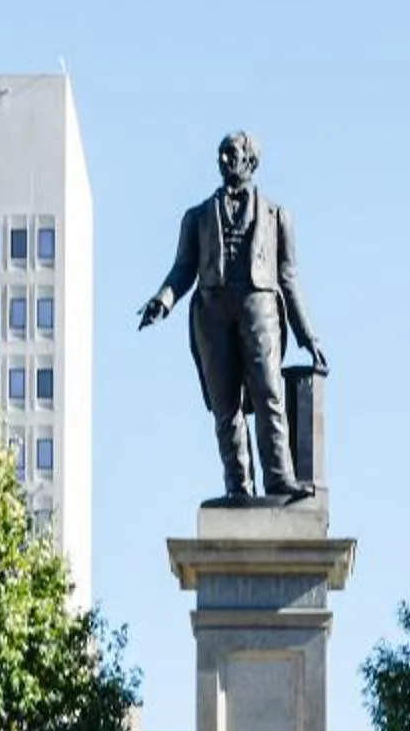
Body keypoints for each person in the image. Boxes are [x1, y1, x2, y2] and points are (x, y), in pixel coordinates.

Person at [137, 131, 328, 506]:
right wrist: (164, 299)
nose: (224, 161)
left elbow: (288, 278)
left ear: (251, 160)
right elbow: (183, 268)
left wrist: (308, 336)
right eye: (221, 154)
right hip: (212, 309)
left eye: (232, 153)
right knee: (225, 404)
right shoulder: (197, 217)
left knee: (268, 393)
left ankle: (279, 479)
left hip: (260, 306)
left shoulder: (277, 216)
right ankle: (238, 486)